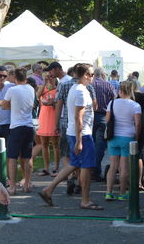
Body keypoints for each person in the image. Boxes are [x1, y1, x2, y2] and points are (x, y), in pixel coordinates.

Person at [39, 64, 100, 209]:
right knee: (86, 166)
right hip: (82, 134)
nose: (93, 78)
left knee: (75, 163)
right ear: (85, 75)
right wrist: (79, 140)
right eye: (92, 75)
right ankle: (85, 200)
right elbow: (79, 118)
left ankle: (48, 189)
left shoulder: (75, 88)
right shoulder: (81, 91)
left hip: (74, 132)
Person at [104, 79, 141, 201]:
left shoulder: (112, 103)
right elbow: (138, 124)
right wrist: (136, 138)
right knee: (124, 167)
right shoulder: (135, 105)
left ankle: (109, 192)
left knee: (113, 165)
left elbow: (107, 120)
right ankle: (122, 193)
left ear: (120, 91)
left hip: (113, 137)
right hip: (127, 137)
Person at [3, 68, 36, 193]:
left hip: (16, 127)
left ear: (15, 77)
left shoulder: (12, 90)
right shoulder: (31, 88)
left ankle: (13, 186)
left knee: (12, 157)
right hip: (29, 126)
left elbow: (4, 106)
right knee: (27, 157)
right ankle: (27, 184)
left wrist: (13, 104)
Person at [31, 70, 60, 175]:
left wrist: (53, 103)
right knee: (44, 144)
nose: (49, 78)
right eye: (47, 77)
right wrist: (44, 83)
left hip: (53, 117)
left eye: (51, 76)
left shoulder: (58, 89)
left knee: (55, 144)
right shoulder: (43, 88)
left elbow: (60, 103)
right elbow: (37, 97)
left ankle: (56, 168)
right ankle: (46, 168)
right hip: (43, 117)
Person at [91, 67, 116, 182]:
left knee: (90, 144)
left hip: (90, 117)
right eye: (105, 74)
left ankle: (89, 169)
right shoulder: (108, 85)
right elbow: (115, 100)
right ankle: (95, 170)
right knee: (100, 146)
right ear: (102, 74)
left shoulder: (89, 85)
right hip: (103, 116)